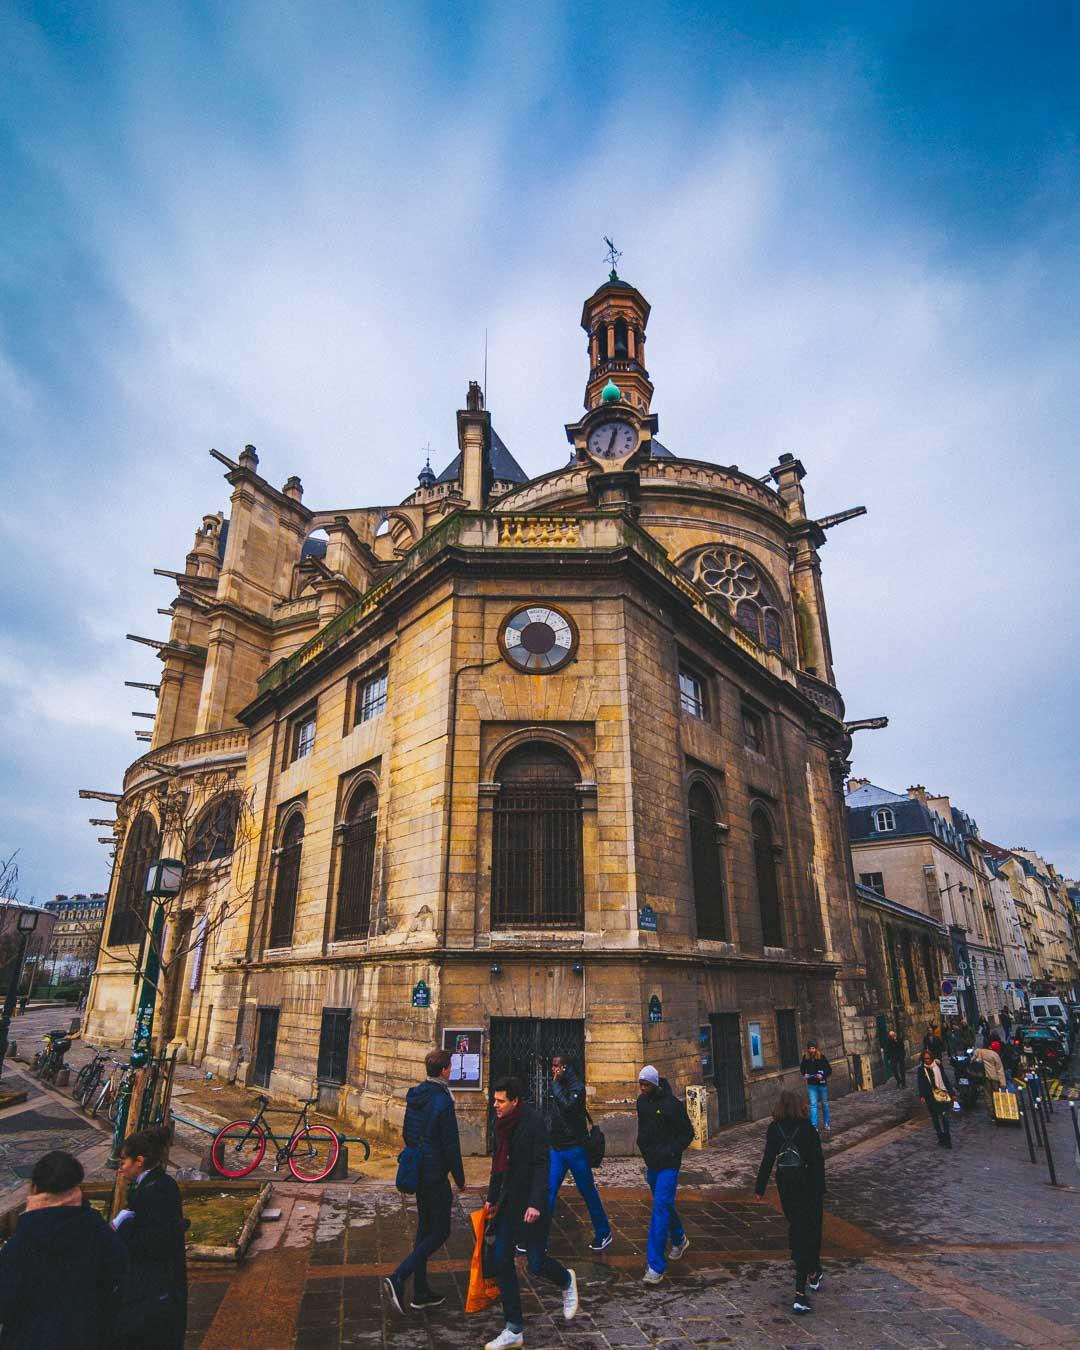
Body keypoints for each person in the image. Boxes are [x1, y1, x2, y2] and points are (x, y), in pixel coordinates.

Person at [483, 1076, 578, 1350]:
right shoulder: (501, 1123)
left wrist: (536, 1203)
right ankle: (513, 1328)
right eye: (495, 1100)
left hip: (531, 1205)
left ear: (515, 1101)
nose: (495, 1105)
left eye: (501, 1101)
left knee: (536, 1263)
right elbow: (498, 1164)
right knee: (502, 1260)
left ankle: (566, 1279)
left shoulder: (533, 1122)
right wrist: (491, 1199)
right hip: (509, 1203)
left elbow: (541, 1164)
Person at [0, 1149, 126, 1349]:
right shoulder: (97, 1230)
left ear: (35, 1189)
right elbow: (117, 1279)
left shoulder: (22, 1243)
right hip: (86, 1337)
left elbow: (6, 1301)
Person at [384, 1047, 466, 1315]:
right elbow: (451, 1143)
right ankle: (400, 1276)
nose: (451, 1071)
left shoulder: (416, 1095)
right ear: (443, 1070)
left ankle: (420, 1291)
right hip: (434, 1173)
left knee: (424, 1230)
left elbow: (408, 1132)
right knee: (441, 1231)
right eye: (450, 1067)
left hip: (419, 1169)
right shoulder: (443, 1100)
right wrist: (459, 1177)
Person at [112, 1125, 188, 1349]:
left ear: (139, 1161)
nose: (120, 1169)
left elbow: (153, 1242)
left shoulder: (153, 1191)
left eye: (123, 1162)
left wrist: (121, 1228)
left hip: (158, 1290)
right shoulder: (158, 1184)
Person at [753, 1091, 825, 1316]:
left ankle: (812, 1268)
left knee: (797, 1227)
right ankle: (800, 1294)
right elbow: (818, 1162)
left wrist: (760, 1188)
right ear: (799, 1106)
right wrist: (820, 1190)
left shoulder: (775, 1129)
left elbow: (767, 1159)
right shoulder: (808, 1129)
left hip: (786, 1186)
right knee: (808, 1233)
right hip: (807, 1187)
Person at [635, 1064, 695, 1285]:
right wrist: (643, 1147)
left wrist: (672, 1151)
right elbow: (643, 1130)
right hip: (652, 1164)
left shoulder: (672, 1105)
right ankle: (679, 1238)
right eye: (640, 1084)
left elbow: (688, 1133)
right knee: (665, 1204)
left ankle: (655, 1266)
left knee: (659, 1209)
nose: (642, 1088)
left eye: (646, 1085)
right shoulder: (641, 1103)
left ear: (654, 1084)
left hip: (669, 1164)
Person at [547, 1055, 611, 1252]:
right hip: (558, 1149)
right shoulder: (560, 1085)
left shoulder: (577, 1088)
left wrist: (556, 1087)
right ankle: (538, 1235)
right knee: (547, 1191)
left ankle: (603, 1232)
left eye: (556, 1066)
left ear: (565, 1067)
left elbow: (568, 1107)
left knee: (587, 1191)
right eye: (552, 1066)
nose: (553, 1070)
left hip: (575, 1149)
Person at [916, 1048, 956, 1148]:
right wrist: (922, 1096)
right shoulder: (921, 1069)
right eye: (925, 1059)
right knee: (935, 1118)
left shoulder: (938, 1065)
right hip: (930, 1097)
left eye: (928, 1058)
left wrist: (952, 1092)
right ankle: (940, 1137)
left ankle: (947, 1139)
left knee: (944, 1117)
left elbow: (944, 1079)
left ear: (932, 1058)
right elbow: (920, 1083)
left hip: (942, 1094)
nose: (927, 1060)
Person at [799, 1044, 832, 1132]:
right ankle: (814, 1125)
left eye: (813, 1048)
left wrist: (823, 1075)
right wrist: (804, 1074)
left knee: (824, 1104)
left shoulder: (822, 1057)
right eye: (810, 1048)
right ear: (808, 1049)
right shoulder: (805, 1058)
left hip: (822, 1084)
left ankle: (827, 1123)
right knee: (813, 1105)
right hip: (812, 1085)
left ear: (816, 1049)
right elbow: (802, 1068)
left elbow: (829, 1070)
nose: (812, 1050)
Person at [971, 1043, 1006, 1111]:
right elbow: (999, 1069)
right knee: (996, 1094)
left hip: (984, 1077)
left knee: (987, 1095)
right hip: (994, 1078)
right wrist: (1003, 1083)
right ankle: (997, 1109)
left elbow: (972, 1059)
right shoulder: (995, 1055)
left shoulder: (979, 1051)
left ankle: (990, 1110)